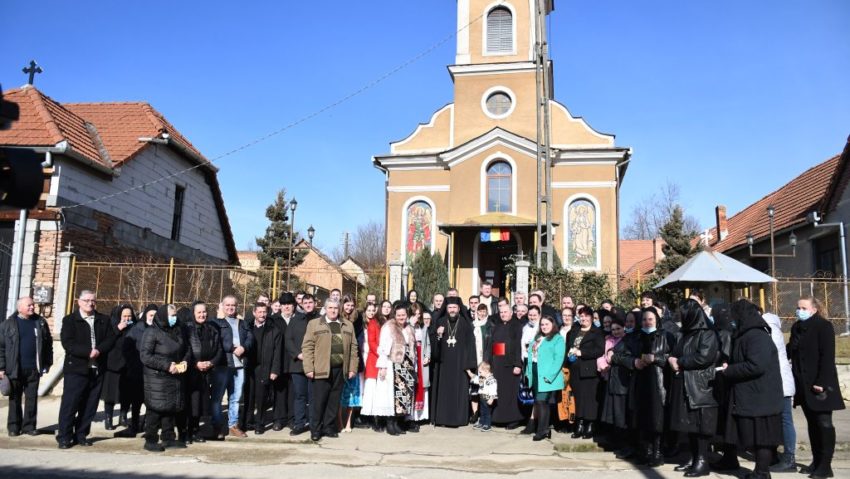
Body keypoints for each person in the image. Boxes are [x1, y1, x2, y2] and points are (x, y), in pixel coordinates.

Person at [718, 299, 784, 479]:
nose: (732, 320)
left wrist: (729, 370)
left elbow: (756, 365)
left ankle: (762, 472)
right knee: (755, 436)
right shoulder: (745, 335)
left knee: (761, 437)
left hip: (761, 397)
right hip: (753, 395)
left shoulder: (756, 336)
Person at [789, 296, 844, 479]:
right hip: (803, 384)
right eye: (798, 307)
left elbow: (827, 357)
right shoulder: (797, 327)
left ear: (814, 309)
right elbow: (792, 351)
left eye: (803, 307)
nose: (799, 310)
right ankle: (817, 460)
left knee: (824, 423)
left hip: (820, 384)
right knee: (812, 424)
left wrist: (821, 381)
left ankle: (825, 464)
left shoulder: (823, 326)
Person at [57, 290, 115, 449]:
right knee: (71, 404)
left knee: (90, 405)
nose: (90, 303)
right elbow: (67, 343)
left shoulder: (103, 319)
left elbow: (110, 339)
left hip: (97, 369)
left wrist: (99, 350)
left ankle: (81, 434)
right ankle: (64, 436)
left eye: (93, 300)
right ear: (79, 302)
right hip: (76, 369)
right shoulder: (70, 320)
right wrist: (86, 352)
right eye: (87, 300)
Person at [667, 299, 719, 477]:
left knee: (700, 426)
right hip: (684, 383)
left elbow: (704, 357)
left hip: (699, 386)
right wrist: (671, 359)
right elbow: (676, 352)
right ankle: (693, 457)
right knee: (689, 424)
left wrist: (680, 362)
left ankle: (702, 461)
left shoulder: (707, 334)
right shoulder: (685, 333)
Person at [301, 298, 359, 442]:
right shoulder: (314, 324)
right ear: (325, 309)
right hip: (321, 369)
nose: (333, 310)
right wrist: (308, 367)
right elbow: (307, 347)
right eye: (330, 308)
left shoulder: (348, 325)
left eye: (335, 308)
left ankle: (328, 427)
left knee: (334, 401)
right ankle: (316, 429)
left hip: (340, 369)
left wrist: (352, 367)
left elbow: (353, 348)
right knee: (319, 401)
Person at [140, 305, 191, 452]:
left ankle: (168, 437)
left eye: (175, 315)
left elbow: (186, 349)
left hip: (175, 376)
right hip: (157, 377)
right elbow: (145, 356)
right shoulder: (152, 332)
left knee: (170, 407)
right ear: (163, 315)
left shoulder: (177, 331)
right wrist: (167, 365)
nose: (174, 318)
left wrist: (185, 361)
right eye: (171, 315)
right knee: (155, 408)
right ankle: (150, 439)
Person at [0, 297, 53, 437]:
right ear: (20, 308)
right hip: (15, 369)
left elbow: (48, 344)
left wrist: (47, 362)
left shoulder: (40, 322)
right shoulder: (8, 324)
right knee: (14, 398)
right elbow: (1, 348)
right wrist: (1, 368)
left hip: (33, 369)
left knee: (31, 399)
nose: (32, 307)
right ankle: (14, 427)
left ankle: (29, 426)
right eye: (29, 305)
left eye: (33, 305)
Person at [631, 307, 675, 467]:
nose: (647, 322)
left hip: (659, 382)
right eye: (644, 319)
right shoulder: (635, 336)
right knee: (643, 418)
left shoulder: (666, 336)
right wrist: (634, 362)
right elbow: (621, 355)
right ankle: (646, 451)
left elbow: (673, 357)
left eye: (650, 319)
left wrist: (655, 358)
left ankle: (658, 452)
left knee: (658, 419)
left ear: (656, 319)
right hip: (640, 382)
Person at [210, 295, 254, 439]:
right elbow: (217, 340)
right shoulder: (216, 322)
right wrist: (232, 348)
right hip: (223, 365)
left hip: (239, 366)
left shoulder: (243, 323)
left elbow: (250, 337)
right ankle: (217, 426)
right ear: (222, 306)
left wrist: (244, 348)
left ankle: (233, 425)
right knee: (217, 397)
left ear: (237, 307)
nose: (230, 308)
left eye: (233, 305)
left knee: (235, 398)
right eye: (227, 305)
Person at [432, 297, 477, 427]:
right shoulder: (440, 322)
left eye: (454, 308)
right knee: (444, 391)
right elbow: (435, 347)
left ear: (458, 309)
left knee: (459, 391)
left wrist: (469, 365)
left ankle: (459, 419)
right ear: (446, 309)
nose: (452, 310)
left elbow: (470, 345)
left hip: (460, 365)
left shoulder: (465, 323)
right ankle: (442, 418)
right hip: (444, 364)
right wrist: (438, 336)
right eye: (450, 308)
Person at [182, 301, 223, 443]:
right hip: (191, 373)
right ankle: (185, 432)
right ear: (193, 314)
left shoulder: (212, 329)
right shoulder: (186, 329)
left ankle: (195, 430)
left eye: (204, 312)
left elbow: (219, 350)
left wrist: (211, 363)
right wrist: (195, 364)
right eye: (199, 312)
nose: (202, 314)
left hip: (206, 373)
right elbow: (185, 350)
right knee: (190, 403)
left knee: (200, 404)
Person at [763, 311, 797, 473]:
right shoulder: (771, 327)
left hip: (781, 383)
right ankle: (777, 455)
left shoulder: (769, 329)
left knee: (785, 420)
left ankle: (789, 458)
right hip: (780, 382)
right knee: (779, 419)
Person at [376, 305, 418, 435]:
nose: (401, 317)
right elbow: (383, 348)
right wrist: (382, 366)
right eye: (399, 315)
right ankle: (390, 423)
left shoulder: (409, 328)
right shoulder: (389, 327)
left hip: (407, 365)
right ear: (395, 315)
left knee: (403, 396)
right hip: (392, 364)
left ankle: (398, 422)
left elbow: (413, 348)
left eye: (403, 315)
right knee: (391, 395)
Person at [565, 306, 604, 439]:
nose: (584, 318)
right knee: (578, 398)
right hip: (575, 369)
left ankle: (590, 425)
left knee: (590, 400)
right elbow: (568, 347)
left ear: (592, 318)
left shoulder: (597, 332)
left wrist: (582, 353)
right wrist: (569, 354)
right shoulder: (574, 331)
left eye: (586, 316)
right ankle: (579, 423)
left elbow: (599, 350)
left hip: (589, 370)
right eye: (581, 316)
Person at [243, 303, 281, 435]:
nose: (262, 315)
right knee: (249, 396)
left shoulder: (273, 330)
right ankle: (247, 422)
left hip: (264, 367)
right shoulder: (247, 327)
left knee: (261, 398)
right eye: (259, 312)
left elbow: (277, 352)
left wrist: (274, 370)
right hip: (249, 367)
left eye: (264, 312)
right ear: (254, 313)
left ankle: (260, 424)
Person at [526, 315, 565, 441]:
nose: (544, 327)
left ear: (553, 324)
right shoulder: (538, 337)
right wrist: (528, 372)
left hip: (547, 375)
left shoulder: (557, 339)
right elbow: (531, 356)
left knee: (542, 401)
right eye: (542, 324)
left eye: (547, 324)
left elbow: (558, 359)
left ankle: (542, 431)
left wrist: (550, 376)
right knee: (538, 402)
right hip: (536, 373)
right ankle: (545, 429)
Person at [484, 303, 524, 428]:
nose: (503, 314)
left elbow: (518, 346)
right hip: (498, 365)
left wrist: (518, 364)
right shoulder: (497, 327)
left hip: (511, 365)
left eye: (506, 312)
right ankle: (499, 418)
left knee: (510, 393)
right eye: (501, 312)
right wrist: (489, 363)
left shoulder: (517, 326)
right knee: (499, 392)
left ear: (511, 313)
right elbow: (492, 346)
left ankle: (513, 419)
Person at [122, 304, 158, 436]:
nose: (153, 318)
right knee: (136, 401)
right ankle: (134, 425)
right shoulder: (137, 329)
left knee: (151, 402)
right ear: (145, 316)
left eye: (155, 316)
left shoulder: (159, 330)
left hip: (153, 373)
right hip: (137, 371)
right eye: (150, 315)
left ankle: (147, 426)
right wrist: (133, 363)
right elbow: (126, 348)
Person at [284, 293, 316, 436]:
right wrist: (298, 354)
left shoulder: (320, 320)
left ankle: (315, 423)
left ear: (315, 303)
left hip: (315, 364)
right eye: (306, 302)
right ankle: (299, 423)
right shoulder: (295, 320)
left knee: (314, 395)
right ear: (301, 304)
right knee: (300, 395)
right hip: (298, 364)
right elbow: (288, 340)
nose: (308, 305)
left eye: (310, 302)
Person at [100, 304, 135, 431]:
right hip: (112, 365)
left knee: (126, 393)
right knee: (110, 394)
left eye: (129, 316)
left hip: (128, 365)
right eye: (124, 316)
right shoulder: (112, 326)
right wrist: (118, 329)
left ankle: (123, 417)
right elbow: (106, 341)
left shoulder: (134, 327)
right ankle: (108, 418)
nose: (127, 318)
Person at [271, 292, 297, 431]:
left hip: (295, 362)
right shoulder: (274, 320)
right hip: (279, 362)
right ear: (280, 306)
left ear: (294, 306)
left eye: (289, 304)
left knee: (293, 393)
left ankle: (291, 419)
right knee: (279, 392)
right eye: (284, 304)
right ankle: (278, 420)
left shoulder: (299, 319)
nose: (287, 307)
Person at [361, 302, 387, 431]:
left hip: (384, 360)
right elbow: (371, 342)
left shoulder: (385, 322)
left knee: (381, 391)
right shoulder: (373, 322)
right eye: (384, 307)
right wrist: (383, 353)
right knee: (371, 390)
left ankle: (380, 417)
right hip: (374, 360)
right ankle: (372, 419)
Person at [340, 295, 364, 433]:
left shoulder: (358, 318)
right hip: (339, 357)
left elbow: (359, 337)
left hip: (353, 356)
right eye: (347, 305)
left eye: (351, 305)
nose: (349, 308)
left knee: (352, 393)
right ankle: (339, 422)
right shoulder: (338, 317)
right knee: (339, 393)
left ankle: (349, 422)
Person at [409, 303, 431, 426]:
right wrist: (411, 324)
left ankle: (420, 416)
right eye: (415, 314)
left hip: (421, 357)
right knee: (412, 385)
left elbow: (427, 343)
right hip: (412, 357)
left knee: (422, 385)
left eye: (419, 314)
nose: (417, 316)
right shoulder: (407, 326)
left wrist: (427, 356)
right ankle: (410, 418)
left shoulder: (423, 327)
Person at [469, 303, 491, 424]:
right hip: (474, 360)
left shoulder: (490, 326)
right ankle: (474, 412)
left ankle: (484, 414)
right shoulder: (472, 326)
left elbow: (492, 345)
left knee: (484, 389)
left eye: (484, 311)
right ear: (476, 313)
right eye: (479, 311)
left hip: (485, 361)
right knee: (474, 389)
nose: (481, 314)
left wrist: (488, 361)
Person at [471, 362, 498, 432]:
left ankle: (487, 424)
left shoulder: (491, 380)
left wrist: (491, 399)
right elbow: (476, 380)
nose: (479, 374)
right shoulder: (482, 378)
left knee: (487, 412)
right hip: (481, 398)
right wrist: (472, 376)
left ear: (486, 371)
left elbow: (493, 391)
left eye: (480, 372)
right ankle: (481, 422)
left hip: (487, 398)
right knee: (482, 411)